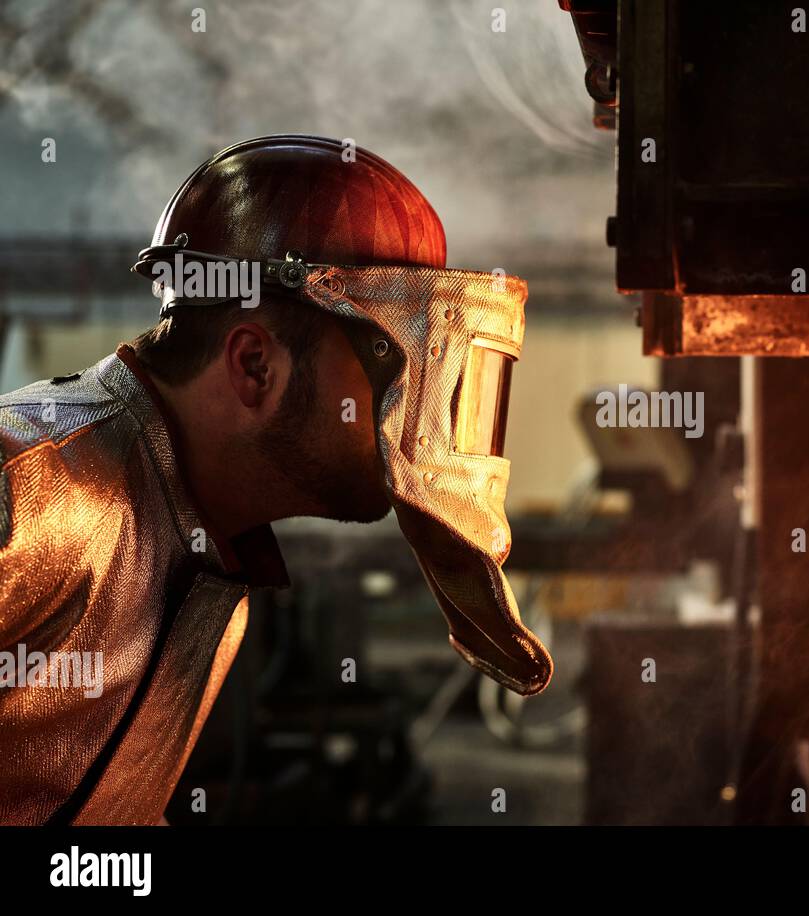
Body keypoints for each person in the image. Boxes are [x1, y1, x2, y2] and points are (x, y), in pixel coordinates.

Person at [0, 135, 551, 825]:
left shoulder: (203, 536)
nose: (418, 417)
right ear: (255, 365)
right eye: (392, 367)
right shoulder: (32, 491)